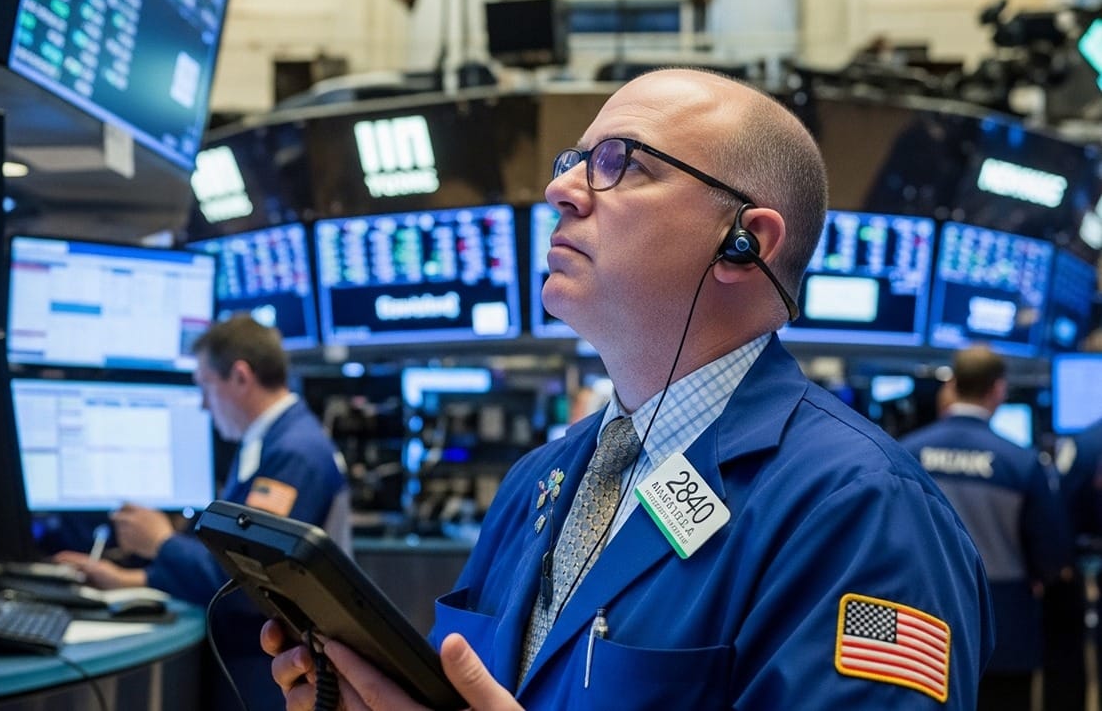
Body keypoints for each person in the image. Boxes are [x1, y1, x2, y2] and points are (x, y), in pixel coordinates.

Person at [263, 67, 994, 710]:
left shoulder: (860, 509)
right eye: (572, 160)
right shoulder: (536, 483)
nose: (558, 190)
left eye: (620, 162)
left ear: (746, 243)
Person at [57, 315, 350, 711]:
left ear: (241, 377)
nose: (202, 403)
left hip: (271, 667)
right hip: (262, 658)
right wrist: (131, 579)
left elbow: (246, 577)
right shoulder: (272, 443)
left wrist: (161, 542)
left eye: (205, 387)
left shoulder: (293, 453)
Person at [898, 345, 1069, 711]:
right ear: (998, 389)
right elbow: (1052, 552)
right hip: (1004, 626)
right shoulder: (1021, 462)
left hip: (923, 627)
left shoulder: (906, 453)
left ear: (954, 384)